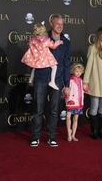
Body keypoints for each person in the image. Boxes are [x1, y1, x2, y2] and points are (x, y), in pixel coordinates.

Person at [30, 14, 71, 147]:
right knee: (38, 108)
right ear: (51, 23)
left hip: (57, 80)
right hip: (41, 77)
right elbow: (32, 54)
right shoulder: (42, 37)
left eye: (62, 24)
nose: (60, 26)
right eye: (57, 23)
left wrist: (67, 84)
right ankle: (35, 137)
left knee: (54, 109)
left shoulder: (66, 41)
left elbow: (66, 64)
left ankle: (51, 137)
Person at [83, 27, 102, 140]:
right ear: (100, 35)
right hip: (96, 82)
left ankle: (100, 130)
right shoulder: (93, 48)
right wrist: (85, 81)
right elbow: (89, 65)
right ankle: (94, 131)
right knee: (94, 107)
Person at [21, 22, 63, 90]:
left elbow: (30, 46)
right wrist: (59, 42)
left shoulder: (32, 40)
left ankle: (31, 79)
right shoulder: (45, 40)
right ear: (43, 30)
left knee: (34, 67)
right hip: (45, 58)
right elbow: (53, 46)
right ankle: (52, 81)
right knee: (54, 67)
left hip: (36, 58)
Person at [65, 63, 85, 142]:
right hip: (71, 102)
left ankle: (73, 135)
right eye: (76, 71)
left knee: (76, 119)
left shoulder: (81, 80)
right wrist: (68, 98)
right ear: (73, 71)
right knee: (68, 117)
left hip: (79, 102)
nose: (78, 73)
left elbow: (82, 91)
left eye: (80, 72)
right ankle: (69, 134)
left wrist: (85, 89)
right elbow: (66, 91)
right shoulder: (70, 80)